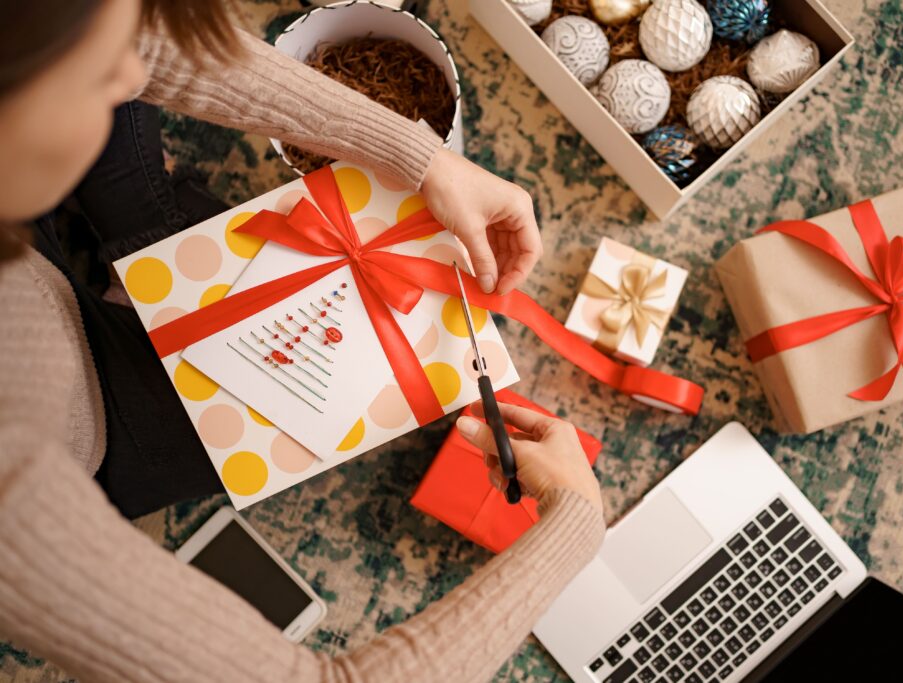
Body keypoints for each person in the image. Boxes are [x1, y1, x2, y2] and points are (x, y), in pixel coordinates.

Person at [0, 1, 605, 681]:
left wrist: (420, 158)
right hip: (87, 430)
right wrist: (576, 524)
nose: (133, 77)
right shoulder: (13, 499)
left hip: (32, 276)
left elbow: (143, 45)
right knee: (272, 417)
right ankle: (139, 240)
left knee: (143, 175)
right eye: (96, 76)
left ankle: (136, 239)